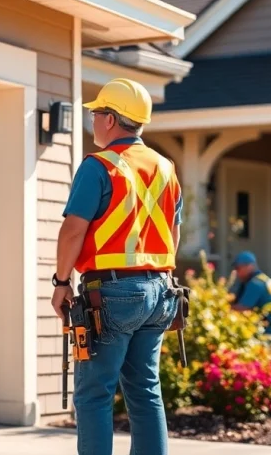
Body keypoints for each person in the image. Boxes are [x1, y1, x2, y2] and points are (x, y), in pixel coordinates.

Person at [50, 78, 183, 455]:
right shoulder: (165, 168)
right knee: (145, 391)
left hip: (110, 294)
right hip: (160, 291)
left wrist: (61, 282)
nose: (93, 120)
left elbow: (73, 230)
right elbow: (172, 235)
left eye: (96, 113)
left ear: (110, 119)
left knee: (94, 394)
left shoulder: (99, 166)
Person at [229, 251, 271, 344]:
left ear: (249, 266)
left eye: (238, 268)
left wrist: (222, 310)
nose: (236, 272)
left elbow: (243, 308)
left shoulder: (255, 283)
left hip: (270, 326)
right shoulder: (261, 279)